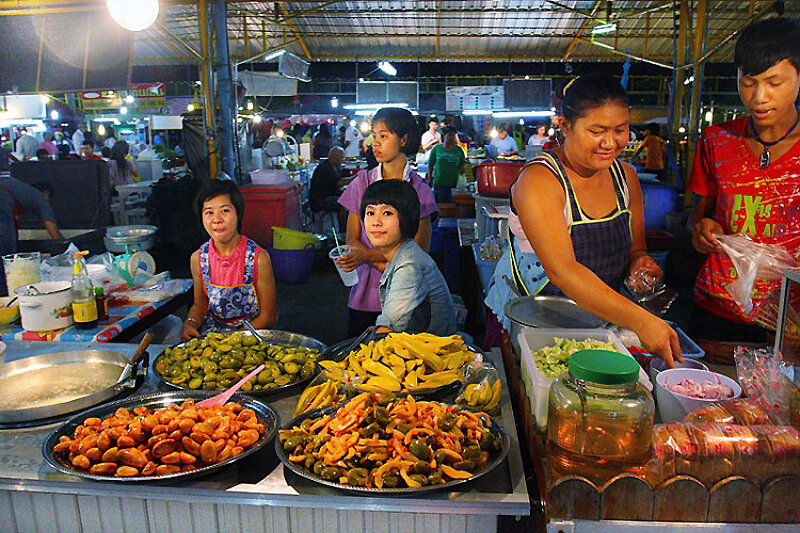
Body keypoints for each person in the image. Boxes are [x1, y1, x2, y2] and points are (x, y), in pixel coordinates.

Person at [485, 74, 681, 366]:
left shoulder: (625, 178)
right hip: (530, 323)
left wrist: (640, 264)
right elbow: (563, 270)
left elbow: (636, 249)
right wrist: (641, 321)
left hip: (600, 323)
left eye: (620, 130)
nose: (610, 143)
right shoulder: (540, 180)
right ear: (565, 126)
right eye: (597, 131)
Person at [688, 17, 800, 347]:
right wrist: (701, 231)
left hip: (788, 320)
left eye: (774, 82)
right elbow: (696, 218)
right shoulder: (716, 140)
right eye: (748, 82)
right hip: (715, 310)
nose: (759, 97)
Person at [337, 107, 438, 337]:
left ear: (404, 139)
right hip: (364, 294)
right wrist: (385, 264)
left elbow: (421, 251)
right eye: (374, 135)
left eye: (384, 136)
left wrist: (367, 257)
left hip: (406, 294)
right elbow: (352, 238)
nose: (376, 143)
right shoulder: (361, 183)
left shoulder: (419, 190)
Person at [182, 179, 277, 340]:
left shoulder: (258, 259)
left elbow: (268, 316)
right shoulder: (198, 258)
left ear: (238, 213)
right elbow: (200, 304)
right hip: (212, 337)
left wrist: (232, 340)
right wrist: (190, 324)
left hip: (251, 337)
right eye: (209, 212)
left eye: (225, 211)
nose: (216, 219)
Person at [362, 180, 456, 335]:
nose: (376, 222)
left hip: (432, 355)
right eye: (370, 212)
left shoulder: (409, 265)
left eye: (387, 213)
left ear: (406, 217)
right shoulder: (404, 253)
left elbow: (387, 328)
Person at [0, 146, 64, 256]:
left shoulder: (19, 189)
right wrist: (66, 250)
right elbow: (52, 229)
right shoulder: (38, 197)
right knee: (7, 249)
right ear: (45, 193)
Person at [426, 127, 466, 203]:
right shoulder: (437, 148)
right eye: (450, 135)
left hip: (454, 184)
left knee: (452, 207)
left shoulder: (459, 150)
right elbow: (430, 165)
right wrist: (430, 178)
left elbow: (462, 165)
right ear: (444, 136)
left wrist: (462, 173)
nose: (452, 138)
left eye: (454, 135)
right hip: (439, 183)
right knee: (441, 207)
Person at [310, 146, 351, 212]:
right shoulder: (325, 168)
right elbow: (338, 182)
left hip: (326, 196)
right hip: (320, 200)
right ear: (334, 158)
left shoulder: (330, 166)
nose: (342, 161)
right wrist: (355, 178)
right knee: (344, 202)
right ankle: (344, 222)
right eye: (341, 158)